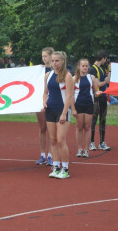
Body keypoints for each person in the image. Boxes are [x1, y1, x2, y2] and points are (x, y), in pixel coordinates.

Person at [43, 51, 73, 179]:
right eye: (53, 61)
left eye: (57, 61)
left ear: (62, 61)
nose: (54, 63)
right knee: (53, 140)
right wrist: (44, 102)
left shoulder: (67, 75)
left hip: (62, 111)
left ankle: (65, 169)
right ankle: (55, 167)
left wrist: (64, 113)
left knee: (61, 140)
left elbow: (69, 96)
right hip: (50, 110)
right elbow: (45, 92)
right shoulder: (48, 75)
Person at [72, 59, 102, 158]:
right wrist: (73, 108)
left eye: (86, 66)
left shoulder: (91, 77)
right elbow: (70, 95)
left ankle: (86, 149)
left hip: (89, 104)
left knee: (87, 127)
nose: (85, 67)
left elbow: (95, 90)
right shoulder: (74, 78)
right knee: (79, 127)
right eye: (83, 66)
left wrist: (97, 93)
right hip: (78, 104)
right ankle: (80, 149)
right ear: (79, 67)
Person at [89, 50, 111, 151]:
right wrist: (105, 81)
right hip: (95, 98)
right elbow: (97, 84)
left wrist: (109, 71)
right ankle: (91, 142)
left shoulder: (102, 68)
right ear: (103, 58)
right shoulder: (92, 69)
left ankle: (102, 142)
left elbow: (108, 81)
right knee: (94, 119)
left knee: (103, 119)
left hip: (103, 97)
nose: (105, 61)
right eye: (105, 59)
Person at [36, 47, 54, 166]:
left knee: (52, 131)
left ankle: (51, 156)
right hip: (40, 102)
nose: (44, 58)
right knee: (42, 128)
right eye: (42, 56)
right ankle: (42, 155)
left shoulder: (56, 70)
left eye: (46, 56)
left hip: (53, 101)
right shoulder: (38, 70)